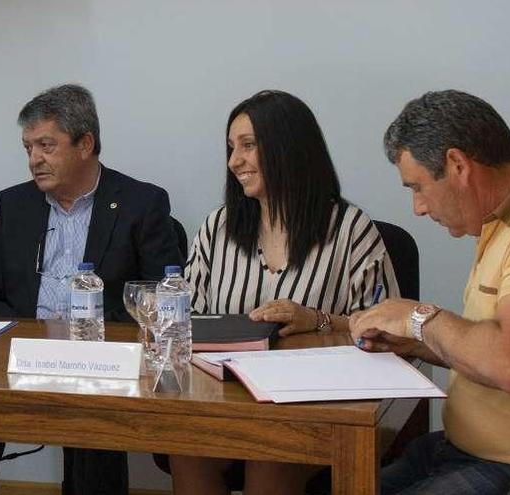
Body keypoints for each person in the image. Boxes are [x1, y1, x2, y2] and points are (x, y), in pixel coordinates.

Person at [0, 84, 183, 495]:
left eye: (46, 146)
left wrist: (86, 345)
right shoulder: (13, 205)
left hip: (99, 363)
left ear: (85, 143)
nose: (35, 159)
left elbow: (160, 301)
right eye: (28, 148)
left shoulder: (141, 203)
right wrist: (28, 342)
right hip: (20, 357)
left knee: (93, 417)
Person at [170, 90, 399, 495]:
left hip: (312, 406)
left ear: (288, 148)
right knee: (186, 447)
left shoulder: (349, 229)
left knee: (272, 456)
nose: (233, 161)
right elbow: (186, 319)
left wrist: (318, 320)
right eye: (230, 147)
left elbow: (389, 331)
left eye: (248, 146)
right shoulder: (217, 227)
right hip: (227, 399)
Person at [350, 90, 510, 495]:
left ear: (457, 165)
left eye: (417, 187)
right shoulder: (502, 225)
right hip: (461, 450)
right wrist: (415, 343)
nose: (417, 207)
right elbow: (490, 348)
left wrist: (417, 318)